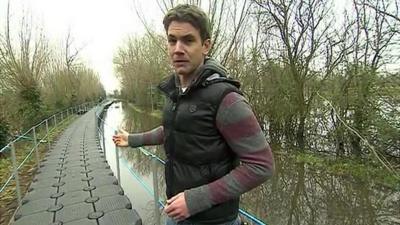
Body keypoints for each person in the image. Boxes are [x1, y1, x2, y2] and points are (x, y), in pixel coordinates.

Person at [113, 4, 274, 225]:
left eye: (188, 40)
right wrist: (132, 139)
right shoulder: (174, 92)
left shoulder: (226, 98)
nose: (178, 48)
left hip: (215, 220)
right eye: (172, 40)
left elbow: (261, 165)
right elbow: (172, 130)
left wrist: (196, 199)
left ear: (205, 45)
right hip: (176, 214)